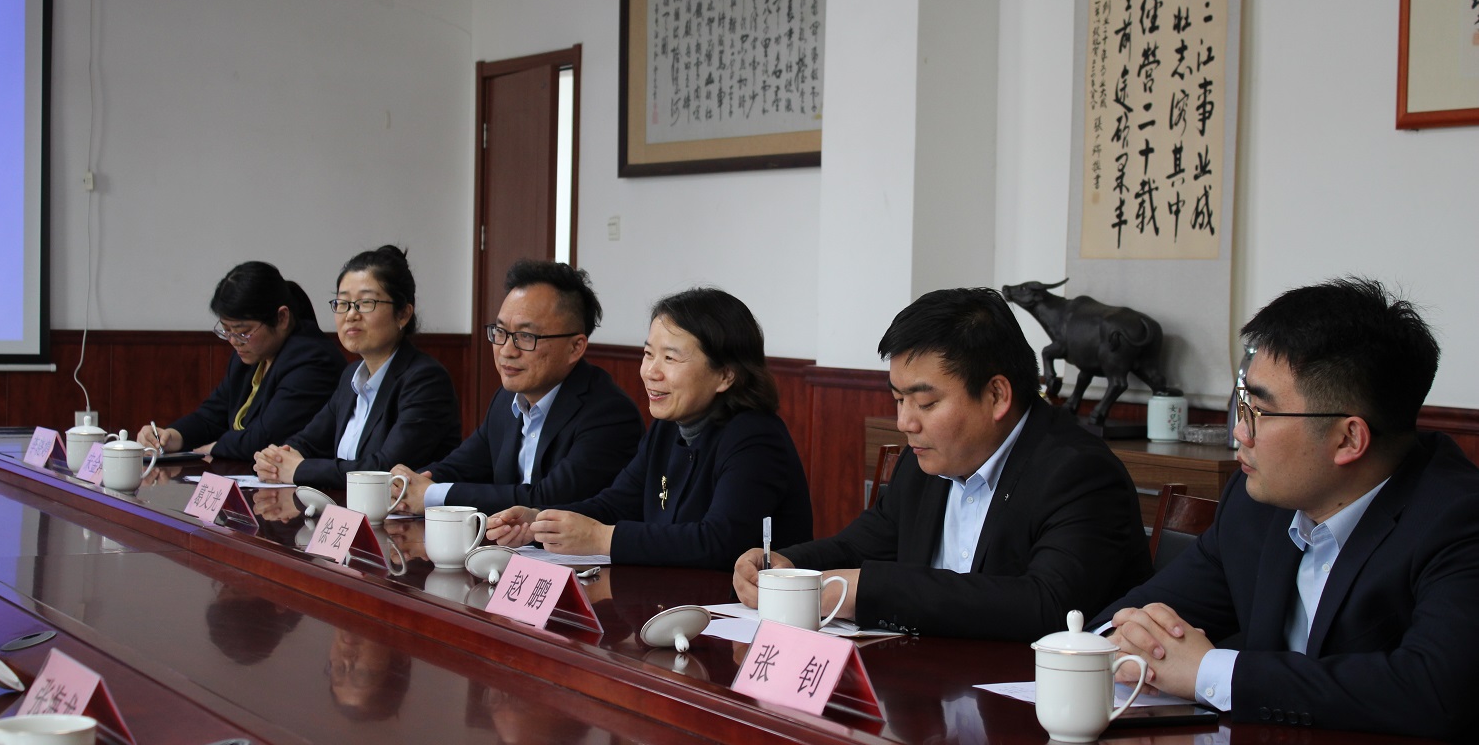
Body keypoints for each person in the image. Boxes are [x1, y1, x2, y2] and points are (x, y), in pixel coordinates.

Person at [1096, 277, 1479, 743]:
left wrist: (1209, 672)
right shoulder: (1255, 504)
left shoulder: (1459, 519)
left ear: (1348, 439)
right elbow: (1131, 616)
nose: (1239, 432)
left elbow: (1437, 692)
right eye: (1242, 405)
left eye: (1259, 411)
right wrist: (1116, 642)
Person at [732, 287, 1150, 640]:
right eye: (898, 400)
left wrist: (867, 591)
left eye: (925, 403)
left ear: (997, 396)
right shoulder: (926, 461)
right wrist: (788, 567)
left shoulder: (1079, 474)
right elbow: (858, 548)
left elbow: (1045, 605)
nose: (905, 422)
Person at [487, 287, 813, 569]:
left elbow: (719, 542)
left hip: (736, 610)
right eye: (648, 354)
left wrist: (602, 538)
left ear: (726, 375)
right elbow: (615, 505)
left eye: (670, 359)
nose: (650, 372)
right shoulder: (667, 428)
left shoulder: (755, 437)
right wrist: (539, 520)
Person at [390, 259, 642, 515]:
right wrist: (409, 484)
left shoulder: (610, 415)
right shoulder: (506, 400)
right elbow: (460, 467)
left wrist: (433, 495)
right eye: (500, 332)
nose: (507, 351)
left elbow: (548, 499)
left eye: (525, 336)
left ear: (575, 347)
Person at [253, 246, 460, 487]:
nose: (351, 315)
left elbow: (385, 468)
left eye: (365, 302)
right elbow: (308, 441)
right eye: (343, 303)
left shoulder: (425, 380)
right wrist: (276, 459)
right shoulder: (352, 375)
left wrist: (299, 470)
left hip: (401, 510)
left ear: (403, 314)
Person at [140, 261, 344, 459]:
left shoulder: (313, 361)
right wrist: (171, 436)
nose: (233, 341)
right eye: (226, 330)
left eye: (243, 331)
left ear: (282, 318)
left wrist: (215, 448)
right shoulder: (249, 356)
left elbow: (266, 438)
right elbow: (210, 416)